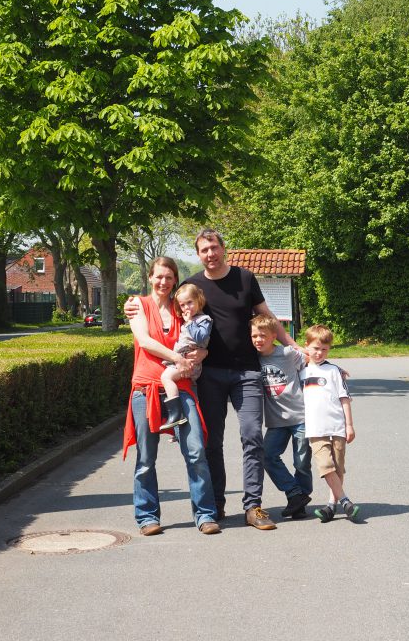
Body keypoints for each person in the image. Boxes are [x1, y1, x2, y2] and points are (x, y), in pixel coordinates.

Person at [125, 228, 297, 530]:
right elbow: (165, 318)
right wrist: (132, 304)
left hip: (246, 371)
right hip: (209, 377)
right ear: (198, 254)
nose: (210, 254)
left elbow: (265, 314)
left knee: (252, 436)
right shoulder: (191, 287)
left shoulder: (244, 278)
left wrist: (291, 346)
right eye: (204, 250)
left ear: (223, 248)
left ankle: (253, 507)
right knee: (209, 443)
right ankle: (214, 505)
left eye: (214, 248)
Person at [121, 256, 220, 536]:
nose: (163, 281)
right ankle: (147, 517)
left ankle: (205, 514)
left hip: (182, 385)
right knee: (145, 458)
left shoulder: (182, 309)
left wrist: (204, 352)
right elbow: (146, 341)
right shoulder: (138, 305)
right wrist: (179, 357)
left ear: (175, 280)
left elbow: (200, 338)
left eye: (168, 277)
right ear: (150, 278)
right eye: (158, 276)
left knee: (196, 451)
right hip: (146, 387)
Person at [251, 314, 313, 519]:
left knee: (301, 462)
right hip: (276, 421)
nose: (258, 340)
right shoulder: (254, 359)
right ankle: (295, 494)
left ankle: (300, 502)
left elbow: (311, 362)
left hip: (300, 416)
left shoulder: (286, 353)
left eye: (262, 335)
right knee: (267, 456)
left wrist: (336, 371)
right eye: (254, 336)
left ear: (274, 336)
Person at [301, 324, 360, 522]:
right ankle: (345, 500)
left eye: (324, 349)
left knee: (337, 467)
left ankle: (331, 505)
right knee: (325, 466)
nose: (319, 353)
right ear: (307, 346)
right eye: (315, 348)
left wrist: (349, 425)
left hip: (337, 427)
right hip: (315, 430)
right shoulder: (301, 371)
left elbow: (344, 399)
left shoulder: (334, 371)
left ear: (329, 349)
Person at [159, 283, 212, 430]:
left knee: (166, 378)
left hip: (191, 363)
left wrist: (189, 322)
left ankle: (176, 415)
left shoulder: (204, 320)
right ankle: (178, 419)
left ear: (199, 300)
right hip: (182, 359)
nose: (186, 308)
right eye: (182, 305)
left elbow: (201, 338)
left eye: (189, 302)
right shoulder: (190, 320)